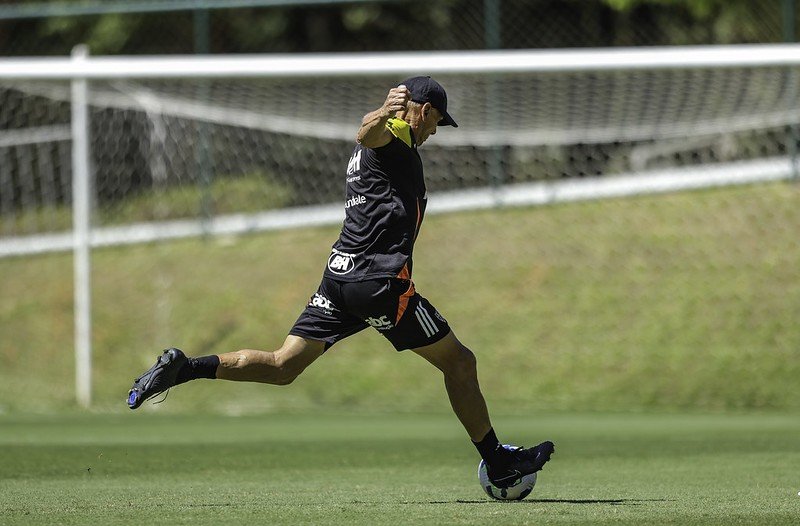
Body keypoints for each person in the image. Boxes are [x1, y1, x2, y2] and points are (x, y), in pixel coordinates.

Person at [127, 76, 554, 488]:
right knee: (460, 362)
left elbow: (367, 140)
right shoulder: (394, 134)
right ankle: (498, 462)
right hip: (378, 282)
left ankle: (185, 368)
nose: (436, 132)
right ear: (423, 111)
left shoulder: (390, 142)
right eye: (437, 121)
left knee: (283, 366)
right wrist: (383, 113)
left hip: (340, 277)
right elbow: (367, 133)